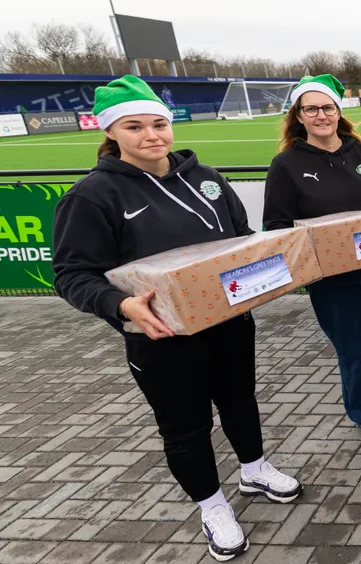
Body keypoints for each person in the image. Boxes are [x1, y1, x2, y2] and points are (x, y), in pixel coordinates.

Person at [52, 75, 301, 562]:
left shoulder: (205, 176)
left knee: (240, 402)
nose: (152, 135)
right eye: (135, 126)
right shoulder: (92, 195)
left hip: (228, 323)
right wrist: (121, 305)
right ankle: (211, 505)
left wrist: (260, 267)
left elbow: (240, 237)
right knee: (186, 428)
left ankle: (253, 469)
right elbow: (72, 274)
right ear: (111, 133)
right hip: (161, 338)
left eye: (159, 123)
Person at [263, 74, 361, 447]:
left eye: (327, 107)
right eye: (310, 109)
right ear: (298, 116)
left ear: (338, 111)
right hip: (330, 278)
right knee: (352, 347)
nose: (320, 115)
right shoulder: (286, 165)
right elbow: (277, 226)